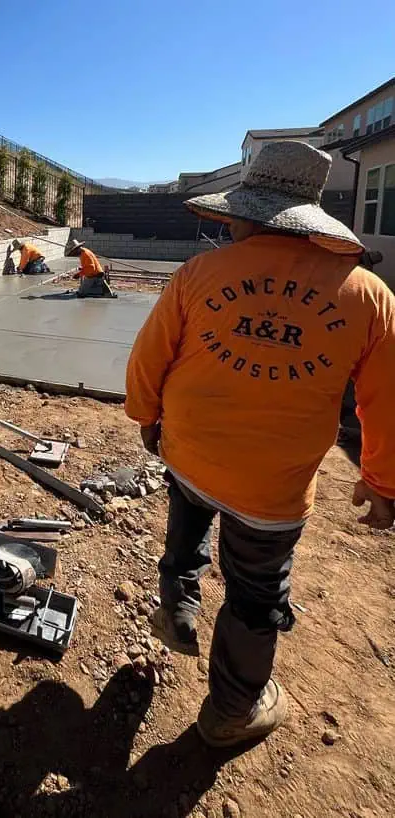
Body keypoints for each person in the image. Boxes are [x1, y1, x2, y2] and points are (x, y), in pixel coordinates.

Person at [125, 140, 395, 749]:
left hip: (188, 452)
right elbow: (387, 401)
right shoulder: (369, 297)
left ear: (246, 215)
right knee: (254, 594)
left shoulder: (200, 274)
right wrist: (382, 484)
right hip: (270, 490)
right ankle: (231, 711)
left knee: (186, 526)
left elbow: (150, 357)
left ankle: (177, 610)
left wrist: (146, 417)